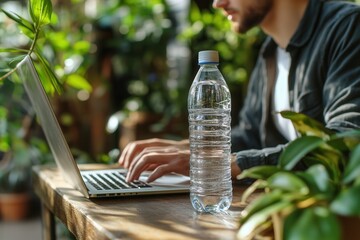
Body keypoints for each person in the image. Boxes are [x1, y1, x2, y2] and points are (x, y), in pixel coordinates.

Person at [119, 0, 360, 183]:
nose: (218, 3)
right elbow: (251, 136)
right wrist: (190, 148)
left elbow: (345, 142)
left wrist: (224, 164)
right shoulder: (270, 52)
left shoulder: (348, 28)